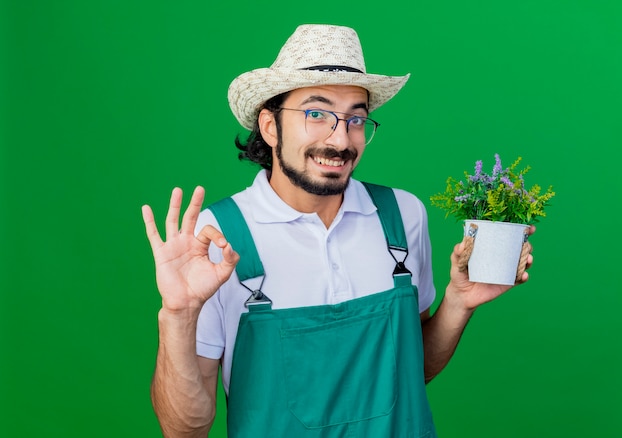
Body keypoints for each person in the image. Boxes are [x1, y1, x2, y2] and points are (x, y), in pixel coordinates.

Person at [141, 24, 534, 437]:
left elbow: (408, 373)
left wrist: (458, 303)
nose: (341, 138)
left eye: (356, 119)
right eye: (316, 113)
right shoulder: (217, 238)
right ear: (271, 126)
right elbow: (184, 429)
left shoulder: (402, 215)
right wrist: (178, 316)